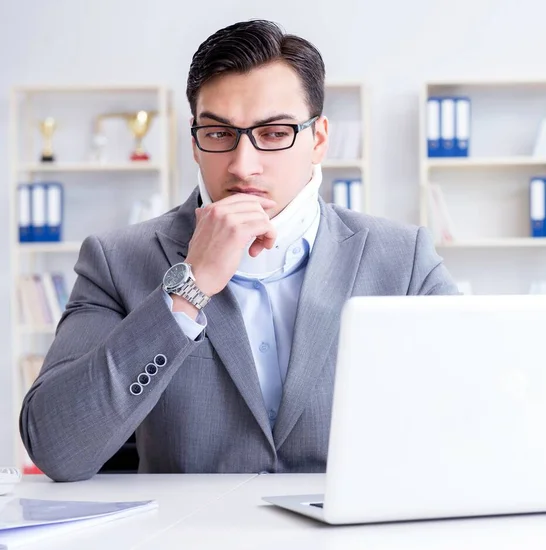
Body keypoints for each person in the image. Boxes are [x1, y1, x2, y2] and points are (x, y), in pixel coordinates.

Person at [19, 19, 458, 482]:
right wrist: (187, 290)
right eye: (218, 134)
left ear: (319, 140)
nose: (242, 165)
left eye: (273, 134)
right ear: (194, 142)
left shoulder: (404, 259)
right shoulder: (117, 260)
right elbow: (57, 450)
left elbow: (482, 412)